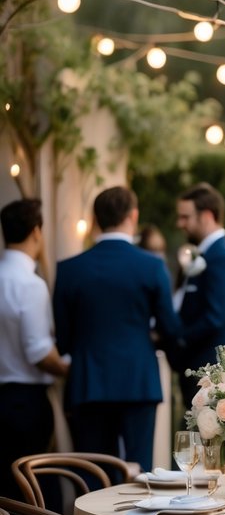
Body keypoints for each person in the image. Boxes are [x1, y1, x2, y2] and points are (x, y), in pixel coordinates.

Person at [53, 185, 181, 475]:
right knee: (141, 474)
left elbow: (63, 340)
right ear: (133, 216)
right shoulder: (151, 266)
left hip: (88, 381)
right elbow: (170, 327)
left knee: (93, 475)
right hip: (138, 380)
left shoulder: (70, 269)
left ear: (96, 219)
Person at [0, 198, 68, 515]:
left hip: (3, 395)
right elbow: (40, 352)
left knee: (6, 483)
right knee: (36, 480)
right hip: (26, 399)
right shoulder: (29, 283)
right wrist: (71, 368)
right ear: (37, 231)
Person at [173, 182, 225, 407]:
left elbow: (214, 317)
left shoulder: (221, 257)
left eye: (185, 217)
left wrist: (176, 337)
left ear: (206, 216)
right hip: (206, 367)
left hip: (212, 370)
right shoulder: (213, 253)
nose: (180, 224)